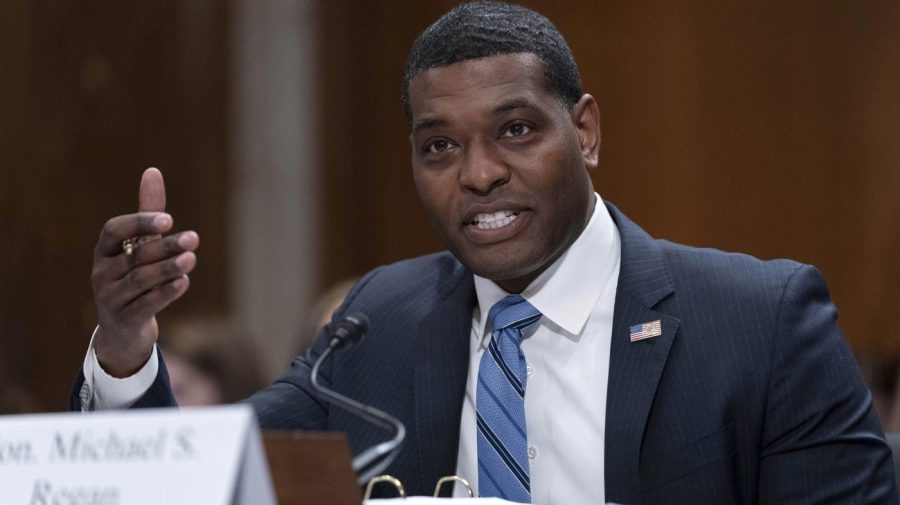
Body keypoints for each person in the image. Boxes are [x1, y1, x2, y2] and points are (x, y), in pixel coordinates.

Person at [70, 2, 897, 503]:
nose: (479, 174)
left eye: (516, 130)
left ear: (586, 131)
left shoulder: (759, 324)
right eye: (438, 147)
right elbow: (194, 483)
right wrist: (124, 344)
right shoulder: (379, 323)